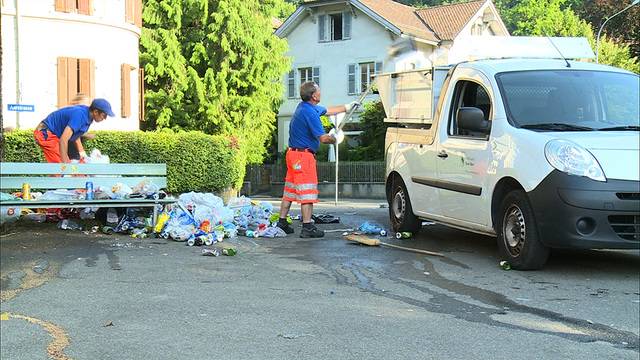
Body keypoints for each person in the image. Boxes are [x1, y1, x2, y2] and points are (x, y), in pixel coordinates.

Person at [276, 81, 358, 238]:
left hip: (293, 155)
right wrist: (336, 137)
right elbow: (323, 139)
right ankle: (307, 227)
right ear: (314, 95)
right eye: (319, 91)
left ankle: (282, 222)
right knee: (307, 191)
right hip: (303, 156)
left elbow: (328, 111)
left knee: (290, 190)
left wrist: (347, 107)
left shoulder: (304, 107)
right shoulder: (311, 114)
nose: (321, 92)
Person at [34, 98, 114, 163]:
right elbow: (63, 139)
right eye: (104, 115)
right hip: (45, 133)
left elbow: (75, 136)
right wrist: (65, 162)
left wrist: (83, 155)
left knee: (66, 168)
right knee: (61, 167)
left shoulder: (88, 117)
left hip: (53, 135)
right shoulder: (80, 115)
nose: (105, 118)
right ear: (96, 112)